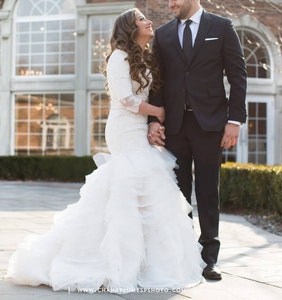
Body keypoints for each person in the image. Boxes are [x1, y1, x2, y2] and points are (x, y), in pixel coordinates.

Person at [6, 8, 205, 294]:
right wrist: (158, 112)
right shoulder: (119, 56)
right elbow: (125, 99)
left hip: (139, 127)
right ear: (130, 27)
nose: (148, 21)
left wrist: (151, 121)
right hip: (124, 129)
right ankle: (110, 260)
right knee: (129, 187)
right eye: (141, 19)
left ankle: (147, 264)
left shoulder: (143, 57)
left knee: (147, 191)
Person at [148, 0, 247, 281]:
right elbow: (157, 80)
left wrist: (234, 120)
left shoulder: (222, 27)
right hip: (175, 125)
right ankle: (184, 254)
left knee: (207, 191)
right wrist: (154, 120)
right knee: (178, 193)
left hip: (210, 124)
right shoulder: (163, 34)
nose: (170, 4)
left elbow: (238, 75)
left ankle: (209, 258)